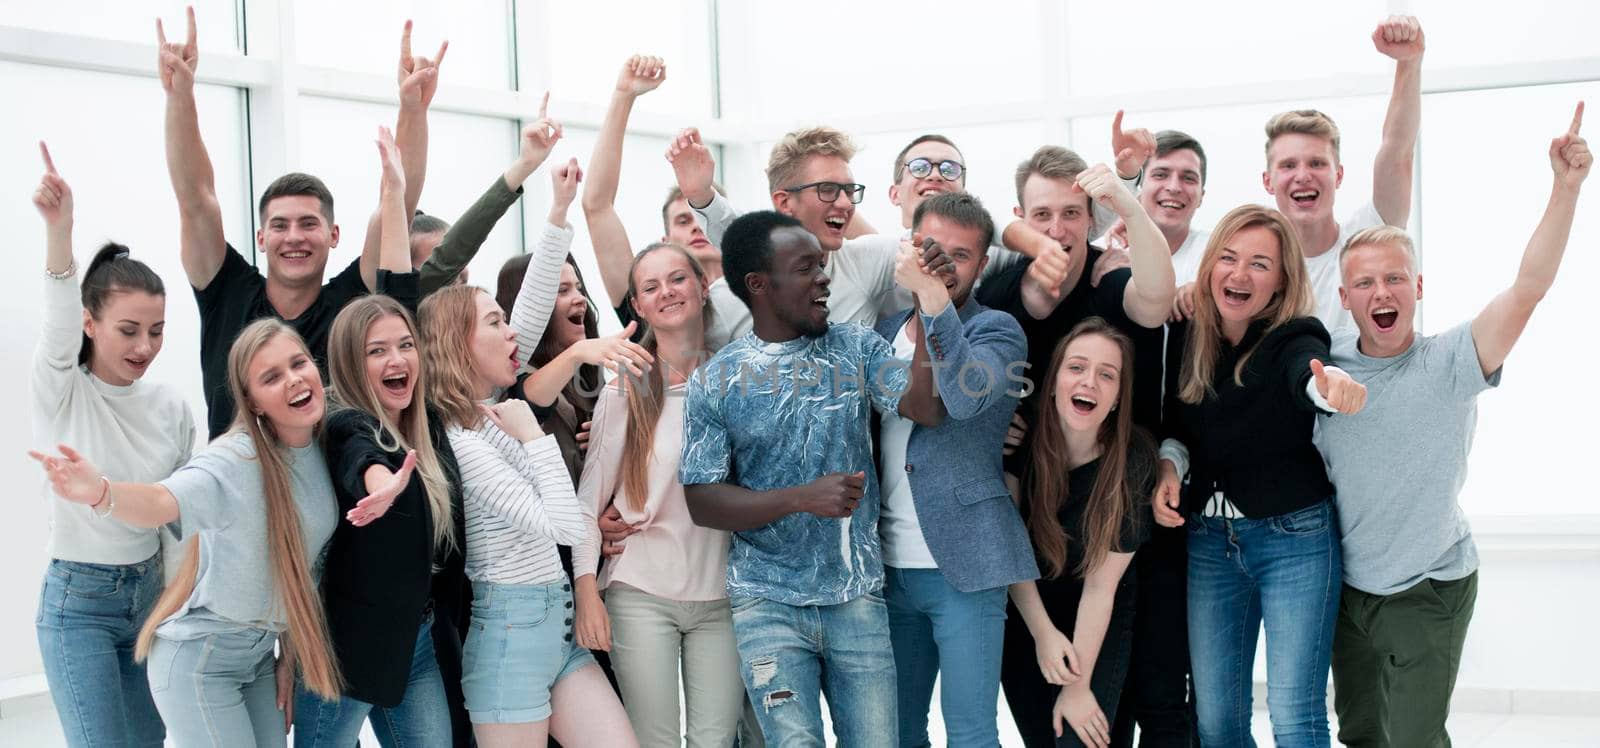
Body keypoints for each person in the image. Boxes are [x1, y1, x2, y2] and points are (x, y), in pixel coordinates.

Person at [1318, 106, 1590, 748]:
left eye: (1392, 279)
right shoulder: (1321, 366)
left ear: (1417, 287)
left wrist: (1566, 189)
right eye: (1364, 282)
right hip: (1348, 591)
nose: (1380, 292)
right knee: (1358, 731)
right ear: (1347, 297)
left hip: (1428, 586)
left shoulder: (1451, 360)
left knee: (1413, 738)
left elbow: (1528, 288)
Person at [679, 211, 944, 745]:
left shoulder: (857, 348)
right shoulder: (716, 379)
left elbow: (925, 406)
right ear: (759, 285)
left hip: (858, 600)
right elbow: (702, 500)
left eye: (822, 267)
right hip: (765, 604)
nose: (824, 278)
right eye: (806, 269)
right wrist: (801, 498)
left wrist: (928, 303)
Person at [32, 317, 343, 746]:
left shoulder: (323, 447)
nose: (293, 380)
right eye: (272, 377)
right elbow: (163, 501)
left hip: (256, 657)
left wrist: (287, 657)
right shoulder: (237, 460)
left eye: (298, 363)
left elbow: (302, 567)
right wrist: (101, 492)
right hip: (201, 662)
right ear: (252, 402)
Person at [158, 9, 444, 437]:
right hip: (241, 494)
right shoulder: (229, 293)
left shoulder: (351, 302)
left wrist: (412, 110)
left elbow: (397, 204)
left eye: (308, 224)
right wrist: (180, 96)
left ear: (333, 236)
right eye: (280, 225)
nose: (293, 237)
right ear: (260, 237)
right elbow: (196, 200)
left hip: (334, 497)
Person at [1151, 204, 1369, 747]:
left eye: (1259, 264)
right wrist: (1169, 467)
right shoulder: (1190, 335)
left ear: (1281, 282)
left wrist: (1329, 388)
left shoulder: (1294, 335)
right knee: (1218, 722)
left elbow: (1309, 374)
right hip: (1208, 542)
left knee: (1295, 717)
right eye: (1227, 258)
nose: (1239, 274)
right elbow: (1179, 427)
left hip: (1294, 539)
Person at [290, 126, 459, 745]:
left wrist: (394, 193)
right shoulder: (344, 422)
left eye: (405, 347)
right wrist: (383, 485)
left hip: (414, 641)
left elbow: (398, 288)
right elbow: (364, 456)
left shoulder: (422, 416)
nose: (397, 360)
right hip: (346, 654)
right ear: (348, 365)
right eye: (376, 351)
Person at [30, 142, 196, 748]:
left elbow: (181, 523)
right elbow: (53, 318)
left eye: (155, 331)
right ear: (90, 323)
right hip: (79, 604)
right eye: (128, 330)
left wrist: (172, 613)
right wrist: (60, 230)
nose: (144, 346)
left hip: (151, 597)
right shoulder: (62, 390)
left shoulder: (171, 406)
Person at [418, 283, 634, 747]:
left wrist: (583, 586)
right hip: (509, 639)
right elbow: (564, 524)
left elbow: (571, 511)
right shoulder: (461, 440)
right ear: (458, 343)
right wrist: (535, 438)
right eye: (495, 322)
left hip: (556, 627)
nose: (513, 331)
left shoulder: (497, 415)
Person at [871, 193, 1037, 747]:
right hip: (886, 568)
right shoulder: (880, 332)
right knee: (897, 730)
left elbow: (964, 400)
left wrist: (934, 302)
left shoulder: (998, 330)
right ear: (909, 246)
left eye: (961, 256)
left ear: (982, 265)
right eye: (931, 249)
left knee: (970, 732)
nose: (943, 264)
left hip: (966, 564)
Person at [571, 243, 748, 747]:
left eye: (677, 279)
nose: (667, 293)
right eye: (651, 287)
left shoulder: (736, 379)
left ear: (702, 286)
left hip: (723, 596)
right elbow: (588, 503)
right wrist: (587, 589)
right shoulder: (625, 388)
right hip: (641, 592)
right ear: (638, 305)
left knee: (715, 741)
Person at [1001, 319, 1156, 748]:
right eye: (1077, 367)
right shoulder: (1021, 442)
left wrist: (1077, 685)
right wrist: (1043, 635)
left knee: (1081, 739)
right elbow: (1011, 551)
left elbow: (1101, 589)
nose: (1089, 381)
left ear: (1118, 396)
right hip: (1028, 613)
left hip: (1098, 621)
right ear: (1052, 382)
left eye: (1107, 374)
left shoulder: (1134, 459)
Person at [975, 146, 1175, 430]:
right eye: (1042, 215)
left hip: (1121, 468)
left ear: (1091, 218)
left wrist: (1130, 209)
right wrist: (993, 426)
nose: (1056, 230)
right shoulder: (994, 295)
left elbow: (1156, 304)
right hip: (1027, 470)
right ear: (1020, 219)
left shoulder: (1110, 279)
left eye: (1071, 213)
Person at [1256, 16, 1425, 335]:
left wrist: (1409, 62)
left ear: (1339, 175)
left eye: (1317, 164)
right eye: (1289, 166)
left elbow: (1398, 149)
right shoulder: (1254, 268)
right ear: (1268, 181)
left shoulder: (1368, 234)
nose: (1303, 176)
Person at [582, 55, 744, 350]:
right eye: (684, 220)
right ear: (666, 240)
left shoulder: (763, 292)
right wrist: (624, 95)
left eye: (704, 215)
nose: (697, 227)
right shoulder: (657, 306)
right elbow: (597, 206)